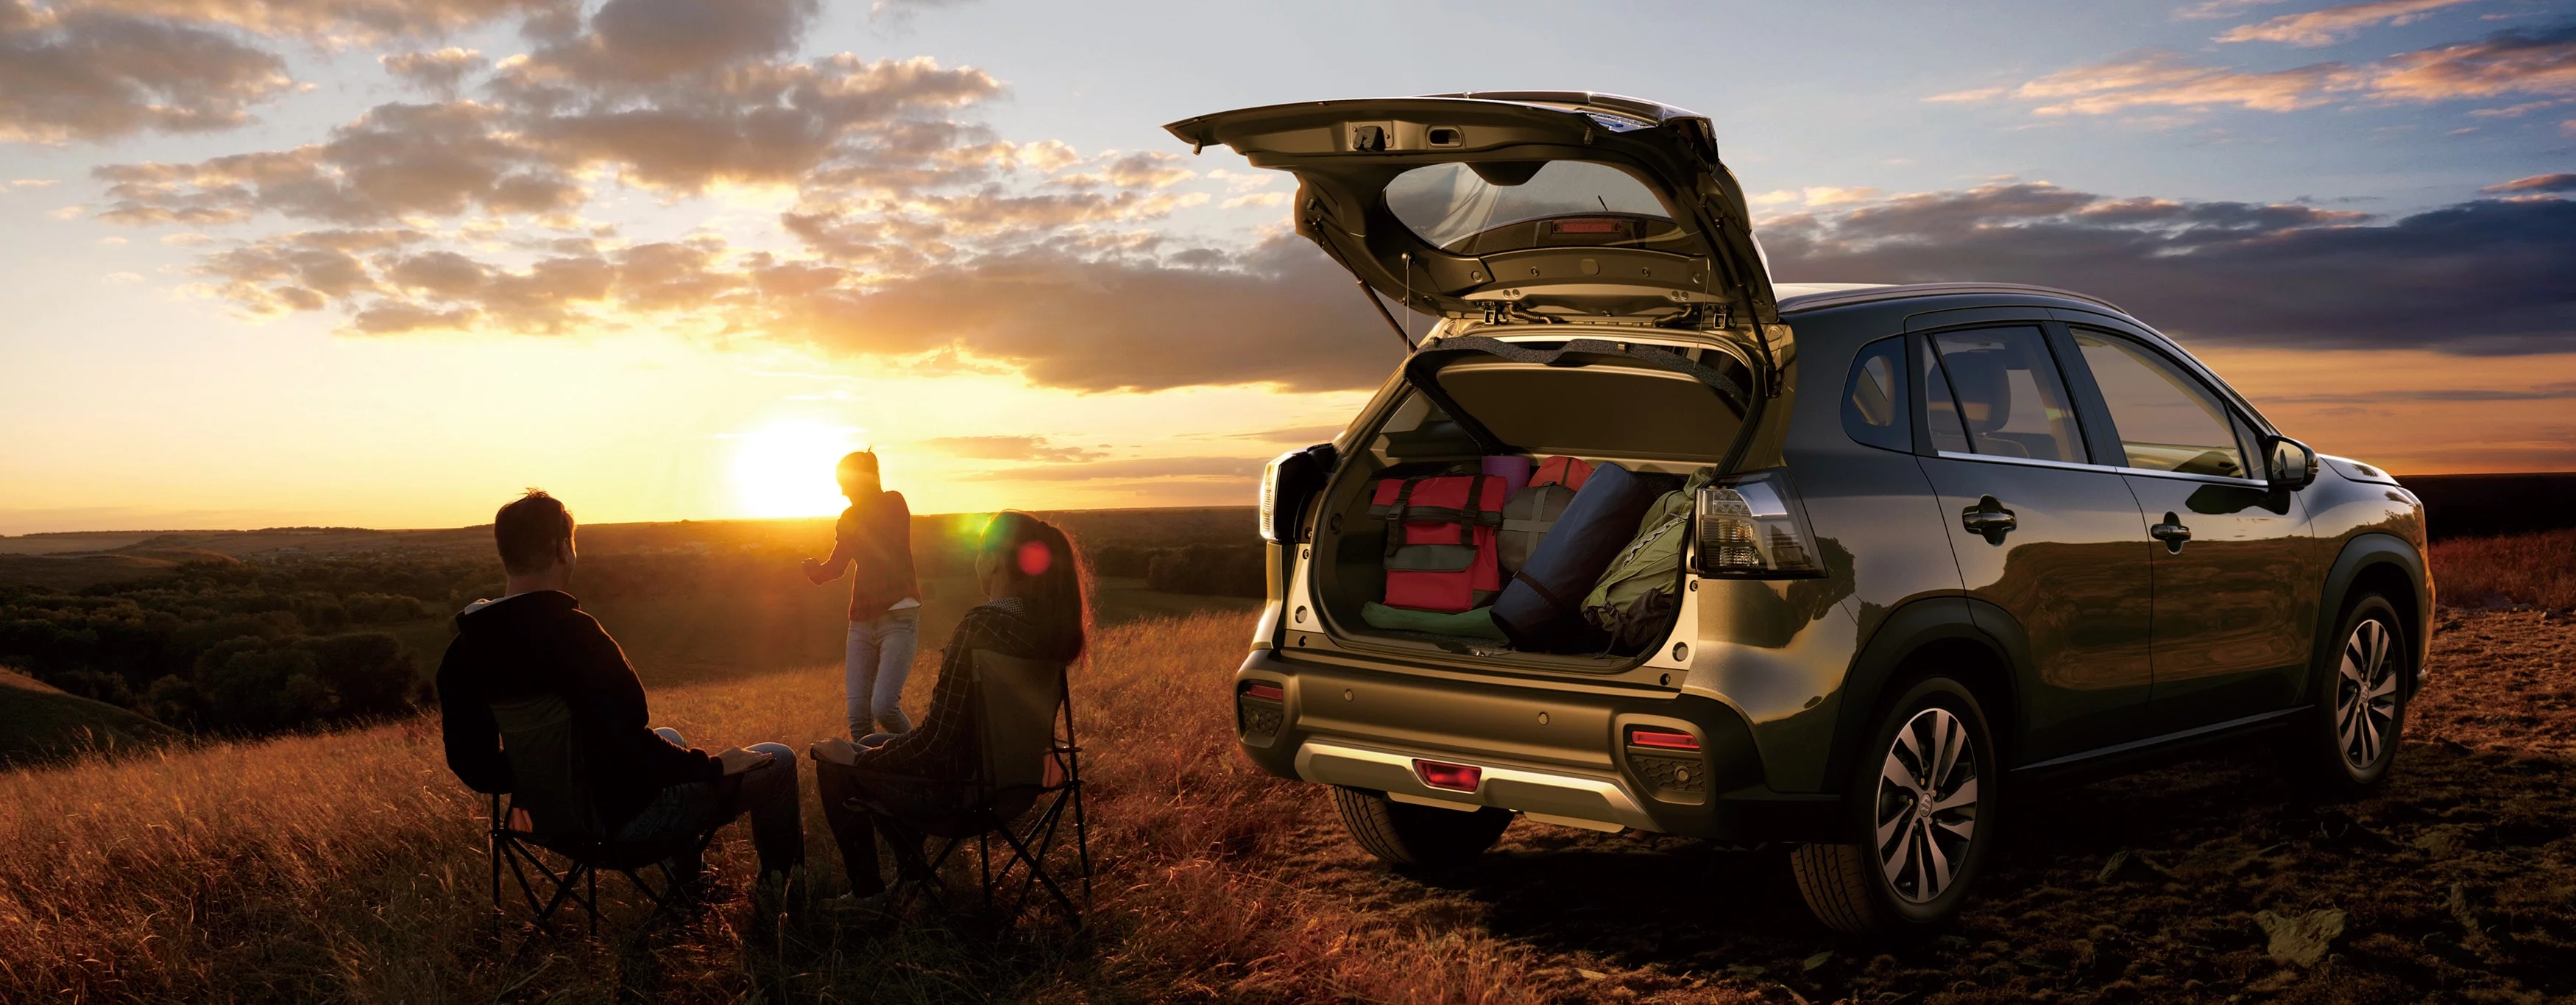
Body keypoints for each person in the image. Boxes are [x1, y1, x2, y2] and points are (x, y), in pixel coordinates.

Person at [439, 490, 804, 883]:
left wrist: (546, 778)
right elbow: (632, 746)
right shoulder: (576, 635)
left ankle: (692, 889)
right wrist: (713, 766)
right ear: (563, 549)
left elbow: (473, 767)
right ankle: (780, 902)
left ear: (505, 555)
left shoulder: (465, 649)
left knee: (671, 738)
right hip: (619, 826)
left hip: (539, 823)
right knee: (777, 760)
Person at [808, 511, 1087, 908]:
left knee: (836, 764)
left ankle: (867, 892)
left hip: (962, 795)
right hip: (1021, 785)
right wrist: (874, 750)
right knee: (871, 738)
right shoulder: (1050, 628)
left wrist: (863, 759)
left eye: (979, 552)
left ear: (992, 560)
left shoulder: (981, 628)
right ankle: (914, 876)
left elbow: (937, 742)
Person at [803, 451, 923, 742]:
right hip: (861, 622)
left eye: (844, 482)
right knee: (858, 717)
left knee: (883, 708)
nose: (841, 490)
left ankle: (927, 760)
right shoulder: (850, 517)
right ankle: (868, 780)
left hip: (899, 616)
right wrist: (814, 572)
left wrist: (850, 526)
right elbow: (837, 567)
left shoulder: (893, 503)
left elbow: (880, 540)